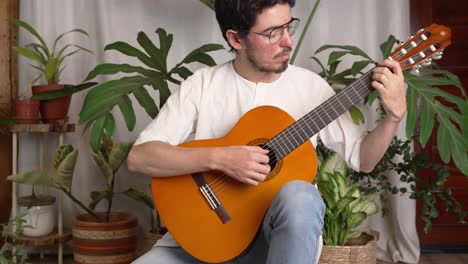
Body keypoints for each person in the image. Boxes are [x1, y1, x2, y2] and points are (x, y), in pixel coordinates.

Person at [128, 0, 406, 263]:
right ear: (236, 39)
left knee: (301, 196)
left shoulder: (312, 88)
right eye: (273, 33)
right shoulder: (202, 85)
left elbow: (364, 159)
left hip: (277, 247)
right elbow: (140, 157)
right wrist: (220, 158)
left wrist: (393, 117)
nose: (288, 41)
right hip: (202, 241)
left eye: (288, 26)